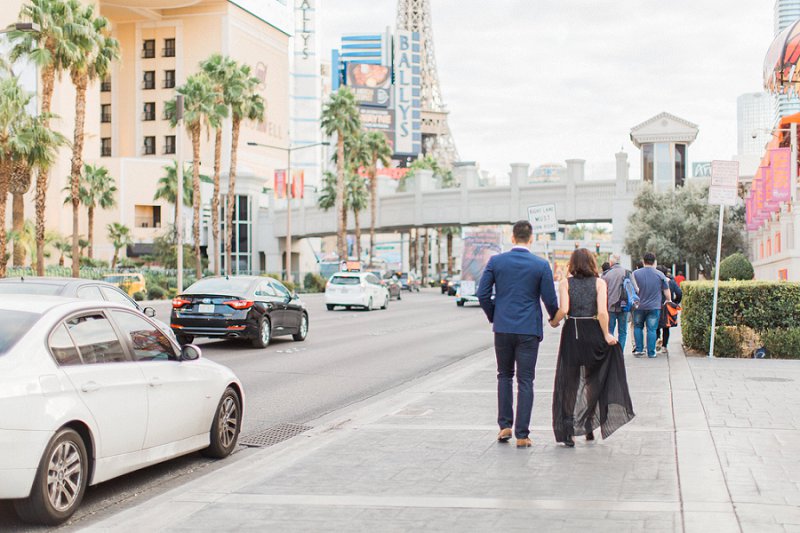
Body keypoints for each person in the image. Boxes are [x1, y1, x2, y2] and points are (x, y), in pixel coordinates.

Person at [477, 220, 559, 448]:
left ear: (512, 238)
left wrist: (495, 315)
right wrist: (553, 318)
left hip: (503, 328)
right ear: (531, 239)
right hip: (528, 330)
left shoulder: (496, 261)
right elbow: (550, 299)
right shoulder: (541, 265)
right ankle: (522, 434)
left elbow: (482, 294)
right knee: (525, 379)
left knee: (504, 375)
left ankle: (504, 425)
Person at [549, 248, 636, 447]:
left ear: (572, 264)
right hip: (593, 331)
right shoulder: (599, 283)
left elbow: (563, 310)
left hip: (573, 331)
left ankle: (568, 430)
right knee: (592, 379)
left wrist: (554, 322)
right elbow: (603, 312)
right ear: (591, 263)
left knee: (569, 381)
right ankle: (588, 424)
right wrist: (606, 334)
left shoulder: (565, 283)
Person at [632, 252, 671, 358]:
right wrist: (668, 300)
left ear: (643, 261)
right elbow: (666, 290)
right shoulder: (660, 274)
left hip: (639, 306)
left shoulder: (635, 274)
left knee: (638, 327)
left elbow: (632, 289)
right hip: (654, 307)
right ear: (654, 262)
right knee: (652, 329)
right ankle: (651, 352)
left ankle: (639, 350)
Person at [601, 253, 638, 351]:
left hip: (610, 307)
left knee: (610, 331)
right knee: (623, 331)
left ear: (611, 262)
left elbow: (601, 292)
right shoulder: (627, 273)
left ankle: (610, 352)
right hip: (624, 306)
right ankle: (620, 352)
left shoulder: (605, 274)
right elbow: (635, 289)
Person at [655, 266, 682, 355]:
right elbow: (679, 293)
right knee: (666, 327)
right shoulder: (671, 282)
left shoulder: (655, 282)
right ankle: (664, 346)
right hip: (667, 307)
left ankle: (657, 339)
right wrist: (675, 302)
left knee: (656, 326)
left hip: (656, 305)